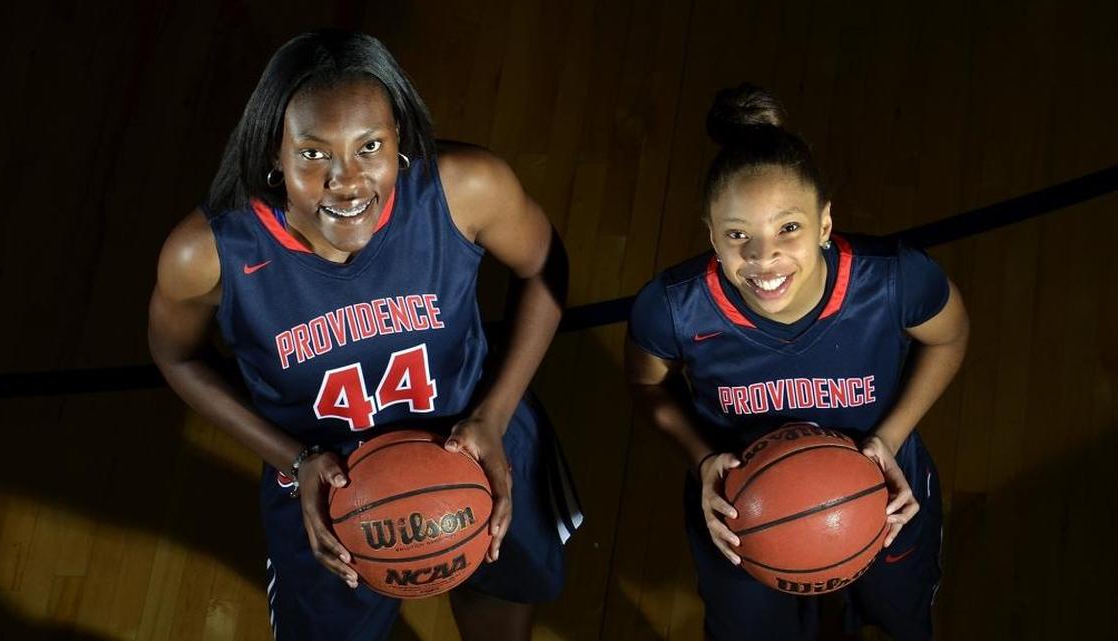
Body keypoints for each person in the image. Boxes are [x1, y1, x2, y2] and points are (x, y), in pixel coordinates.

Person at [148, 29, 581, 641]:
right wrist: (294, 460)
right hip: (327, 498)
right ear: (275, 152)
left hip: (483, 451)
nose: (345, 181)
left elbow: (544, 266)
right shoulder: (209, 253)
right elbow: (175, 355)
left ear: (399, 136)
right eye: (314, 154)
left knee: (501, 600)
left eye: (369, 147)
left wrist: (494, 413)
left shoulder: (464, 189)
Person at [625, 84, 968, 641]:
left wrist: (889, 438)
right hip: (744, 509)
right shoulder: (674, 307)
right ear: (711, 234)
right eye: (738, 235)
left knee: (900, 619)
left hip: (885, 495)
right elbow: (646, 385)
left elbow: (950, 337)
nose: (763, 257)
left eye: (789, 227)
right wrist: (702, 457)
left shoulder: (892, 280)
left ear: (826, 224)